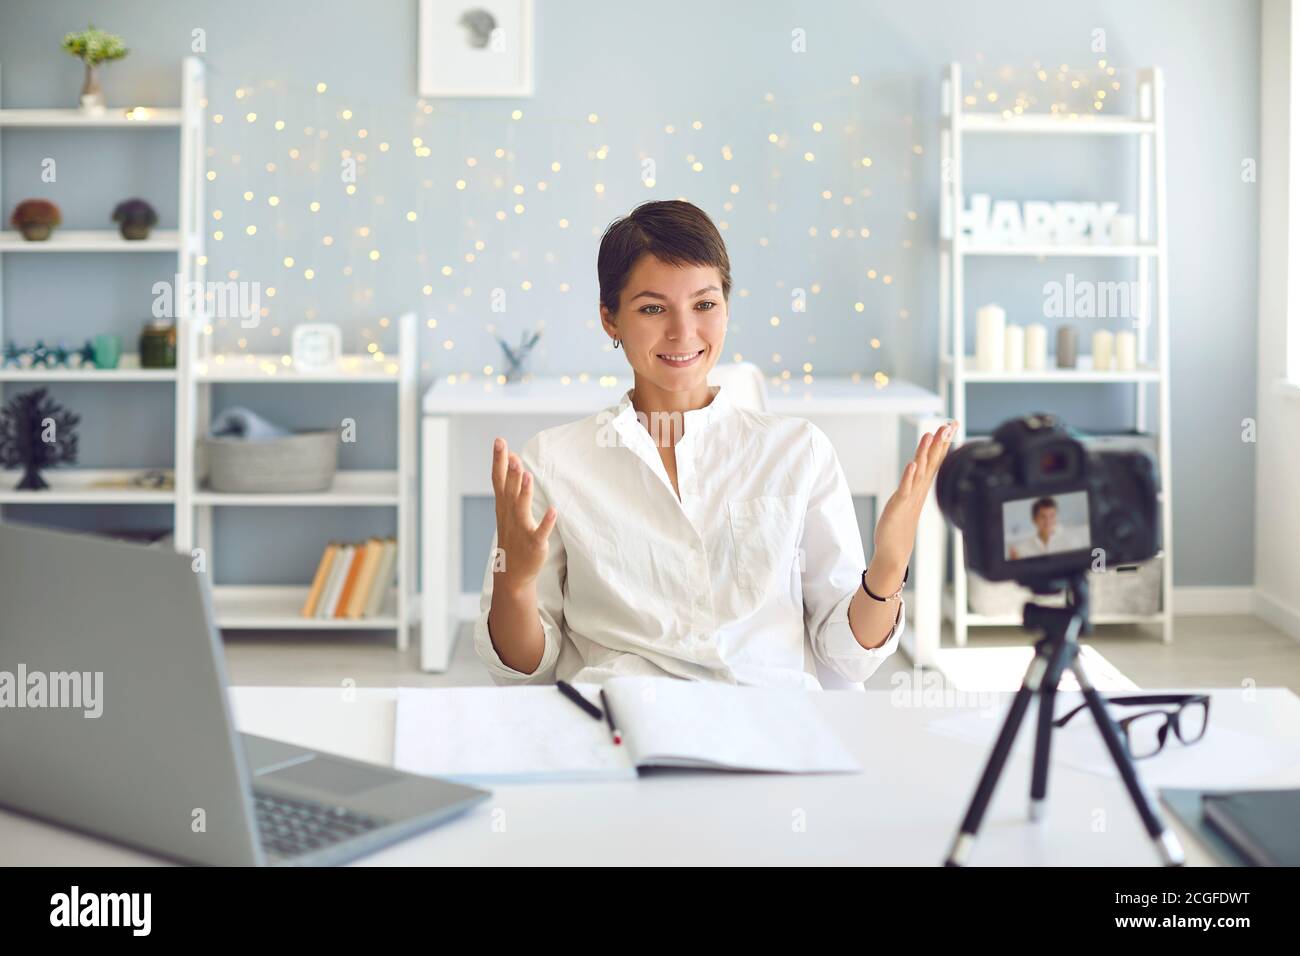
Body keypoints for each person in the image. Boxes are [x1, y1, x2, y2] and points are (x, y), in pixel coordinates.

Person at [474, 199, 954, 689]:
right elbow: (521, 672)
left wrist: (890, 565)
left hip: (768, 724)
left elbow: (849, 658)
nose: (683, 332)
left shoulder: (798, 451)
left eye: (704, 304)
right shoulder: (554, 463)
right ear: (610, 319)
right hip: (618, 719)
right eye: (653, 308)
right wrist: (514, 582)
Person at [1008, 497, 1086, 559]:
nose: (1048, 521)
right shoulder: (1022, 550)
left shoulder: (1072, 540)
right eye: (1043, 517)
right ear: (1034, 519)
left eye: (1052, 516)